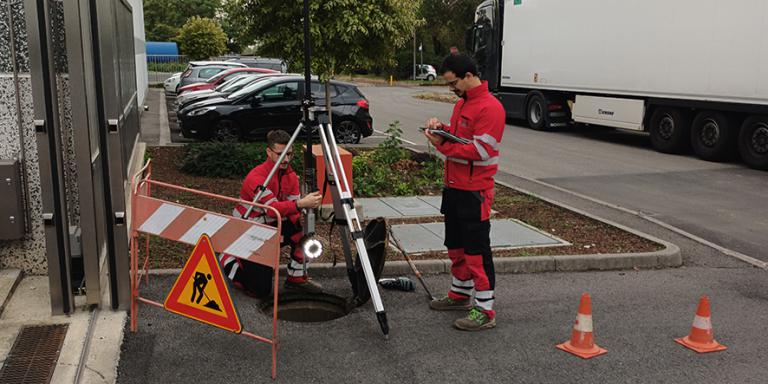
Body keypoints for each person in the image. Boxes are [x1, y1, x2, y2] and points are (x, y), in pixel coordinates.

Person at [423, 54, 505, 331]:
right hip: (455, 188)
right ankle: (459, 294)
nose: (452, 89)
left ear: (469, 75)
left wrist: (441, 145)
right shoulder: (463, 104)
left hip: (475, 192)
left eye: (453, 83)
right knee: (455, 246)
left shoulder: (490, 108)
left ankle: (485, 310)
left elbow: (480, 151)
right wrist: (443, 130)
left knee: (476, 252)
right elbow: (463, 140)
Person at [219, 130, 324, 296]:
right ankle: (228, 258)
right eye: (280, 154)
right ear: (269, 152)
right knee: (261, 290)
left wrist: (299, 221)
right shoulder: (257, 177)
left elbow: (292, 210)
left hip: (272, 229)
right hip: (248, 232)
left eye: (289, 154)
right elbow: (273, 209)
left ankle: (296, 278)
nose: (286, 159)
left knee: (304, 232)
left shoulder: (291, 177)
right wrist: (301, 204)